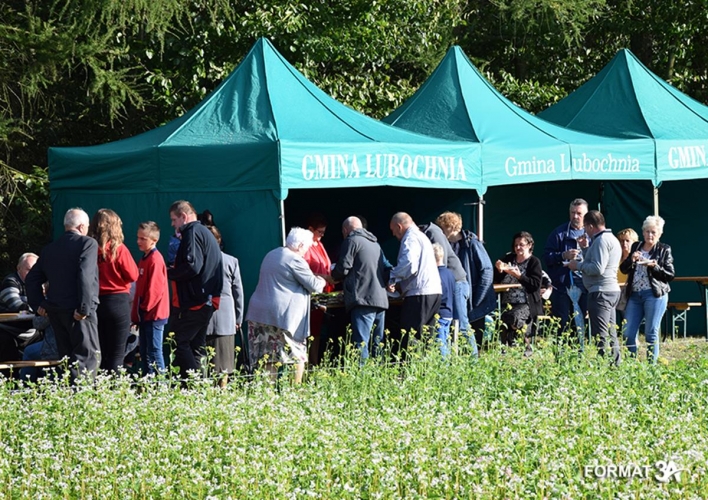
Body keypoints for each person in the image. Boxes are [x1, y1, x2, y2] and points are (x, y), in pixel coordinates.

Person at [25, 208, 100, 380]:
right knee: (87, 359)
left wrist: (38, 304)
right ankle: (83, 395)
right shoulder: (87, 243)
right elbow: (85, 275)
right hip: (78, 312)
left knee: (66, 360)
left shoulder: (50, 249)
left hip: (57, 312)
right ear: (81, 227)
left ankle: (67, 393)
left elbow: (31, 279)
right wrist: (84, 308)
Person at [246, 227, 326, 383]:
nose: (306, 252)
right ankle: (295, 391)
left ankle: (268, 392)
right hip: (282, 317)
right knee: (298, 354)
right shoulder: (295, 259)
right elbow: (315, 286)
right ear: (300, 245)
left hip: (259, 314)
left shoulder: (271, 254)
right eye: (307, 247)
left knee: (268, 356)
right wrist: (322, 280)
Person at [167, 200, 223, 380]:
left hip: (197, 301)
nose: (173, 224)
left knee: (179, 342)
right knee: (196, 346)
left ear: (183, 216)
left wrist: (169, 273)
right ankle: (201, 386)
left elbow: (193, 266)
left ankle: (195, 384)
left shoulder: (192, 232)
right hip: (207, 299)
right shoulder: (203, 232)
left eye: (174, 219)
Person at [330, 216, 389, 361]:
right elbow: (387, 267)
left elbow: (343, 267)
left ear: (345, 230)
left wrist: (333, 275)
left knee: (361, 343)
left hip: (363, 298)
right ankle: (379, 372)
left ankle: (361, 373)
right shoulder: (375, 244)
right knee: (377, 343)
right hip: (381, 299)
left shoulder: (351, 240)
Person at [566, 210, 622, 365]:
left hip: (601, 292)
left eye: (585, 227)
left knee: (600, 334)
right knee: (610, 332)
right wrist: (585, 249)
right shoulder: (611, 238)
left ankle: (603, 366)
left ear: (590, 226)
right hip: (610, 290)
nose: (585, 231)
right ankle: (615, 365)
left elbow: (597, 268)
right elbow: (597, 262)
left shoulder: (601, 241)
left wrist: (577, 265)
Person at [435, 211, 495, 352]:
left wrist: (478, 298)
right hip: (455, 289)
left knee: (464, 326)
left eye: (442, 228)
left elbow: (487, 270)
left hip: (468, 291)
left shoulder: (472, 243)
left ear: (450, 227)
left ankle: (473, 358)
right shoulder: (446, 244)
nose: (440, 232)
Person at [89, 209, 139, 373]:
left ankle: (100, 385)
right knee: (117, 355)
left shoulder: (89, 249)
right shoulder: (119, 249)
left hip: (96, 303)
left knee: (101, 353)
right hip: (118, 302)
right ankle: (115, 386)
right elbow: (133, 275)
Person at [619, 215, 674, 363]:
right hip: (635, 295)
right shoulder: (636, 247)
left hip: (654, 294)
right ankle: (632, 364)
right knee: (628, 333)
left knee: (651, 332)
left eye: (653, 232)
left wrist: (654, 266)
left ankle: (651, 366)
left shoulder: (664, 250)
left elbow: (670, 275)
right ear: (643, 232)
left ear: (660, 234)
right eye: (647, 231)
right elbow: (623, 269)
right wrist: (631, 260)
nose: (650, 235)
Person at [387, 212, 442, 357]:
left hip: (419, 293)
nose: (393, 234)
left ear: (399, 226)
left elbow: (409, 264)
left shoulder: (410, 238)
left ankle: (411, 368)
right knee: (427, 338)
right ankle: (426, 367)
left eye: (393, 230)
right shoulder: (421, 236)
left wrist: (392, 277)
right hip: (433, 291)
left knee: (412, 337)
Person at [543, 199, 590, 340]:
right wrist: (563, 255)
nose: (575, 216)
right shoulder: (559, 233)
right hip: (563, 287)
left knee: (581, 323)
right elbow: (547, 258)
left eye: (579, 213)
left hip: (585, 285)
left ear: (586, 214)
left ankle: (581, 351)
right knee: (562, 323)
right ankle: (561, 353)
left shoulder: (592, 234)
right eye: (572, 213)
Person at [205, 226, 244, 387]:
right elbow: (238, 293)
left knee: (205, 363)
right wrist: (238, 318)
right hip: (226, 318)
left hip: (203, 317)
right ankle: (223, 391)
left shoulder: (198, 262)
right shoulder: (231, 261)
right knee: (225, 363)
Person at [494, 231, 542, 356]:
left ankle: (524, 346)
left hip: (526, 302)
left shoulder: (534, 262)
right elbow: (496, 279)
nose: (518, 248)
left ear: (529, 245)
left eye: (521, 245)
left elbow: (535, 285)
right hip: (507, 301)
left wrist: (519, 276)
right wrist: (499, 269)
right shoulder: (509, 259)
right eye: (516, 245)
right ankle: (506, 350)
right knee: (500, 318)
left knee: (513, 317)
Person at [419, 222, 469, 340]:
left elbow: (442, 260)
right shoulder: (430, 232)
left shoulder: (433, 233)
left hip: (456, 282)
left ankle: (472, 352)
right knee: (452, 326)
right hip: (451, 280)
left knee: (461, 325)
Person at [132, 221, 170, 375]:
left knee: (154, 351)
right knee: (145, 351)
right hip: (145, 315)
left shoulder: (155, 260)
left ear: (154, 240)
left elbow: (155, 290)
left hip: (154, 316)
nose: (138, 241)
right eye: (138, 238)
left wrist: (143, 309)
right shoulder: (144, 259)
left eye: (143, 239)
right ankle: (149, 381)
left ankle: (160, 385)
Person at [0, 253, 40, 362]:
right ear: (19, 268)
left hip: (32, 333)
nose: (32, 273)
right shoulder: (10, 281)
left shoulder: (39, 284)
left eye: (35, 270)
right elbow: (16, 306)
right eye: (28, 270)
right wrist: (38, 307)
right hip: (9, 331)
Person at [432, 243, 455, 357]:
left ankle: (443, 364)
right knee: (445, 342)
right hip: (449, 312)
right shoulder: (449, 273)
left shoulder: (436, 275)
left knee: (440, 344)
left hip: (440, 313)